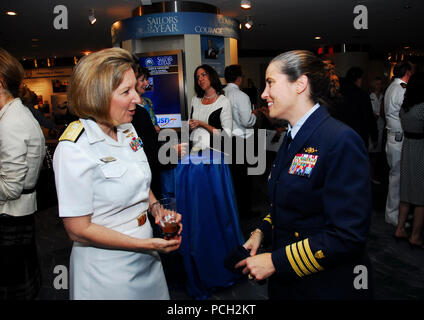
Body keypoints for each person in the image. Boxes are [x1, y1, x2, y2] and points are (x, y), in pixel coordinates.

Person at [235, 50, 373, 300]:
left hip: (325, 286)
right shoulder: (292, 136)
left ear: (300, 84)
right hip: (291, 284)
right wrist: (262, 232)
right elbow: (289, 201)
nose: (264, 94)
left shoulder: (340, 140)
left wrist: (277, 262)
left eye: (270, 82)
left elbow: (348, 236)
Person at [53, 48, 182, 300]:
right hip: (107, 270)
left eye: (136, 88)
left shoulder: (127, 129)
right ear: (98, 95)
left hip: (146, 259)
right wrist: (146, 245)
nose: (137, 98)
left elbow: (138, 182)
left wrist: (156, 210)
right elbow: (78, 230)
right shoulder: (74, 147)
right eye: (126, 91)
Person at [0, 48, 46, 299]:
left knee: (13, 286)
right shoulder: (16, 114)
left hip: (11, 215)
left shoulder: (11, 121)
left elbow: (10, 188)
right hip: (19, 213)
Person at [394, 72, 424, 249]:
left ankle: (400, 228)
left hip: (407, 147)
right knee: (420, 196)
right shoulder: (422, 107)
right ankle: (415, 236)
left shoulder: (405, 107)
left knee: (405, 192)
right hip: (420, 147)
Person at [224, 64, 257, 218]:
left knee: (231, 178)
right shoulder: (242, 96)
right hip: (242, 141)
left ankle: (233, 210)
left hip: (226, 140)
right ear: (239, 78)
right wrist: (254, 115)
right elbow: (246, 121)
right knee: (244, 179)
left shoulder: (221, 94)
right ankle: (245, 212)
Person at [384, 61, 413, 226]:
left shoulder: (391, 87)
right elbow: (409, 113)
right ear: (408, 73)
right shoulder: (401, 89)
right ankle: (393, 214)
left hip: (393, 137)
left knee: (397, 176)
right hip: (398, 138)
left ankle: (398, 212)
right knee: (397, 178)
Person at [189, 64, 232, 151]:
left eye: (203, 75)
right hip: (195, 150)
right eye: (198, 77)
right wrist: (190, 126)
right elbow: (190, 123)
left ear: (212, 76)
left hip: (215, 153)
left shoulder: (223, 102)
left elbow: (226, 135)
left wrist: (203, 124)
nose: (200, 79)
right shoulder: (195, 100)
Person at [339, 67, 378, 149]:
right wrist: (375, 136)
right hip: (358, 135)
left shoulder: (338, 93)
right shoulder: (362, 95)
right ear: (358, 79)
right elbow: (369, 117)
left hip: (341, 135)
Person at [368, 77, 385, 183]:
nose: (379, 86)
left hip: (381, 125)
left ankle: (372, 175)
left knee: (377, 153)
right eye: (377, 84)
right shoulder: (370, 97)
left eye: (380, 84)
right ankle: (368, 175)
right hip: (372, 126)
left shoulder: (383, 97)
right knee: (370, 151)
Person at [136, 66, 160, 133]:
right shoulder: (130, 105)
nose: (146, 83)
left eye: (146, 80)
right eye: (142, 80)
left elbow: (154, 124)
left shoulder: (148, 102)